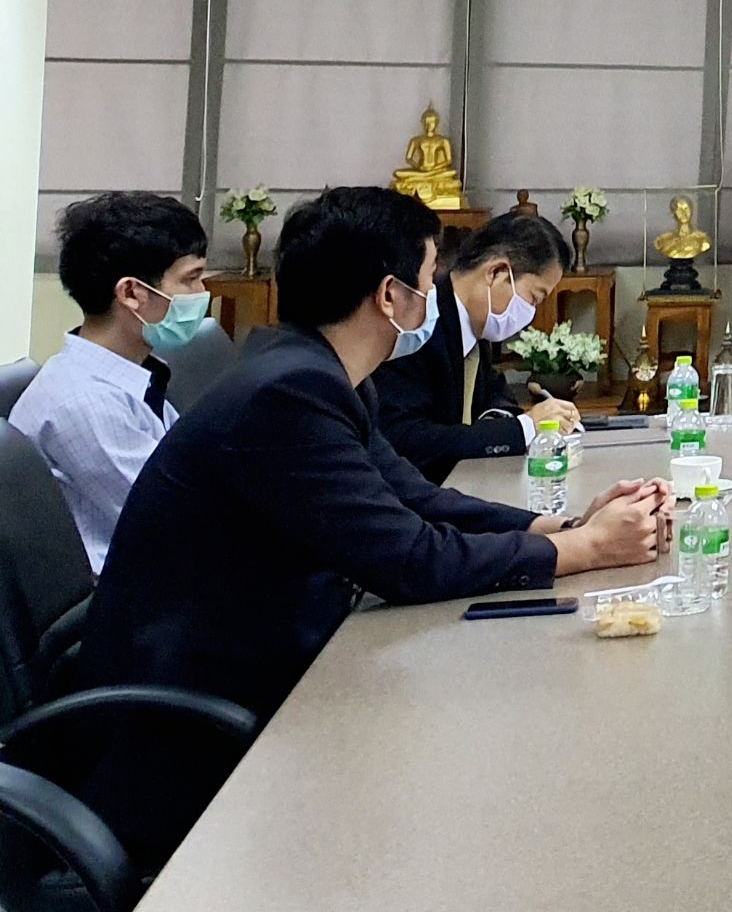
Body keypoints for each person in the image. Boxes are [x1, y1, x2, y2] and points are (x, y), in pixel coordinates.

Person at [78, 187, 669, 724]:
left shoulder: (324, 374)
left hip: (273, 652)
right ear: (390, 295)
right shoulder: (289, 394)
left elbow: (415, 499)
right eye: (430, 281)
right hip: (188, 708)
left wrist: (563, 525)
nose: (436, 299)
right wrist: (587, 550)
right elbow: (410, 559)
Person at [8, 193, 211, 572]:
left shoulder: (128, 377)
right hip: (124, 592)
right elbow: (181, 521)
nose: (202, 295)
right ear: (131, 293)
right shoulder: (86, 403)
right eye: (191, 279)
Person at [369, 210, 579, 482]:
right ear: (496, 272)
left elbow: (496, 396)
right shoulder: (418, 323)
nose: (531, 312)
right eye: (534, 298)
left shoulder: (475, 329)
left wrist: (528, 420)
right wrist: (523, 429)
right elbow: (406, 439)